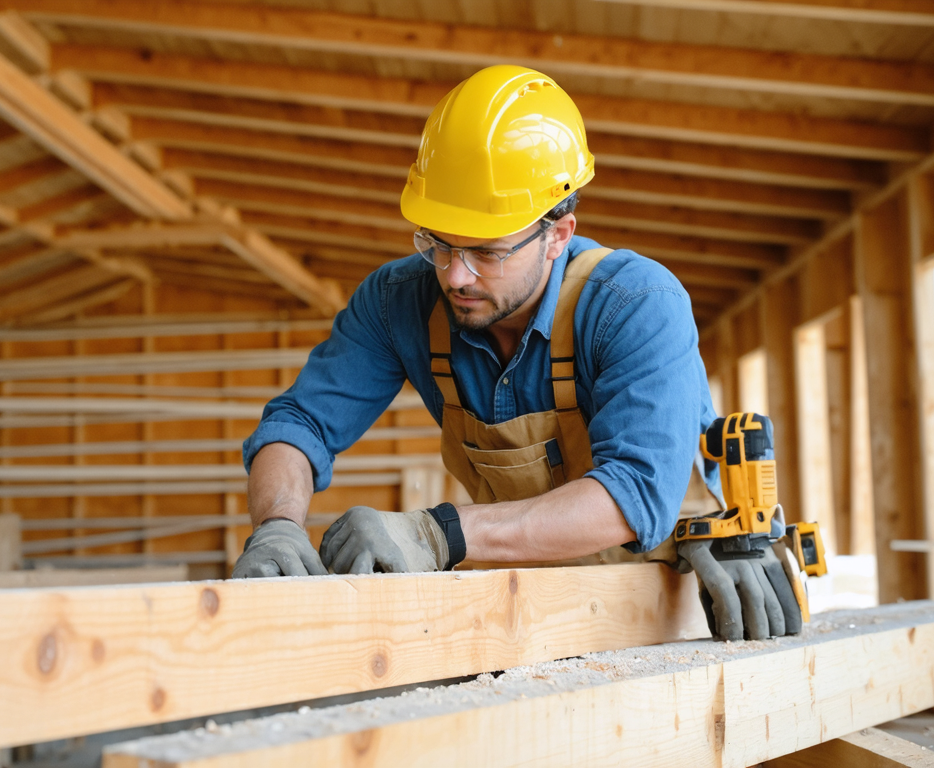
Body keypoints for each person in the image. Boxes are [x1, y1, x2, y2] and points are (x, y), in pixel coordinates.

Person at [232, 65, 801, 641]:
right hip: (526, 592)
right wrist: (276, 526)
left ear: (558, 232)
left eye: (486, 251)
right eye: (438, 242)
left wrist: (436, 535)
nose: (455, 275)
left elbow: (634, 493)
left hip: (667, 592)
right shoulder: (398, 302)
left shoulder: (636, 302)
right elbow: (299, 422)